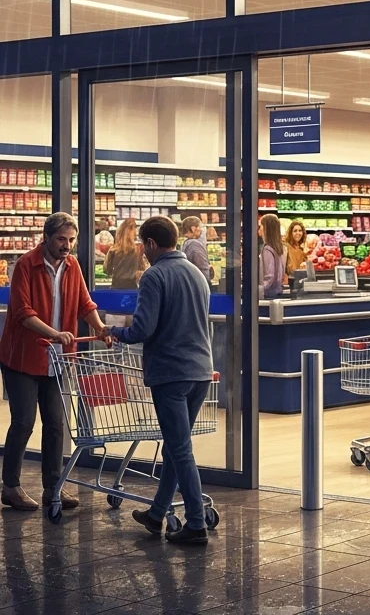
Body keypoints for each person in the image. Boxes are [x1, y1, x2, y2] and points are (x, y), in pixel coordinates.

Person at [110, 215, 215, 546]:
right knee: (175, 446)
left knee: (180, 448)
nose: (142, 250)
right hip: (200, 371)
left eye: (143, 245)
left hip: (171, 373)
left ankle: (196, 522)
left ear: (151, 244)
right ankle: (156, 515)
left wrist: (111, 331)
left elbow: (142, 329)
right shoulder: (197, 274)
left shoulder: (155, 276)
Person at [0, 212, 108, 511]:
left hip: (57, 360)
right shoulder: (25, 265)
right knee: (23, 422)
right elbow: (21, 311)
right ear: (46, 237)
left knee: (56, 424)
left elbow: (85, 304)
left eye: (71, 240)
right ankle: (10, 486)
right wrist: (54, 333)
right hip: (23, 357)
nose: (67, 246)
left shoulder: (72, 266)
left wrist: (100, 329)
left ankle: (54, 487)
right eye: (61, 239)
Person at [104, 218, 148, 291]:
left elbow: (107, 270)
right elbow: (142, 269)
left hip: (115, 288)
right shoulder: (137, 250)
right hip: (132, 288)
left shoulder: (113, 250)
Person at [259, 213, 286, 299]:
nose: (259, 229)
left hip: (268, 295)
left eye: (261, 226)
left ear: (267, 228)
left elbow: (269, 276)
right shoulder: (281, 248)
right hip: (277, 292)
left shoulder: (267, 249)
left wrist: (259, 291)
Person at [181, 216, 212, 284]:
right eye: (200, 227)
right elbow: (203, 269)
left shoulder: (185, 243)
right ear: (193, 229)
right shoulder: (195, 245)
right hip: (200, 284)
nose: (201, 230)